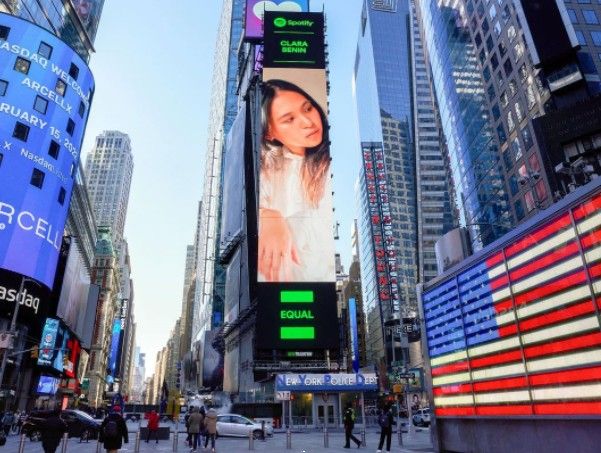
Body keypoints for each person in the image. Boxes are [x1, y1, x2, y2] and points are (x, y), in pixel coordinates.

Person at [259, 78, 334, 282]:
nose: (308, 122)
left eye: (308, 108)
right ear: (269, 132)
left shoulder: (332, 164)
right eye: (289, 119)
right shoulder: (268, 165)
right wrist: (267, 215)